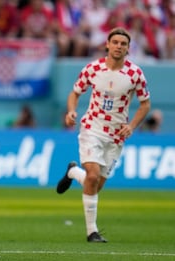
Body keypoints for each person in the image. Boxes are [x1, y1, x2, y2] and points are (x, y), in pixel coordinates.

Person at [56, 27, 151, 243]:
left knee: (95, 185)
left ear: (128, 49)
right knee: (92, 176)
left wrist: (132, 126)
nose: (118, 46)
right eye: (115, 42)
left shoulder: (135, 74)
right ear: (107, 44)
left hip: (117, 135)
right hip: (92, 128)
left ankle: (73, 173)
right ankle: (92, 232)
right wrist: (71, 111)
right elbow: (75, 92)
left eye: (123, 43)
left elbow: (145, 105)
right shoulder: (93, 68)